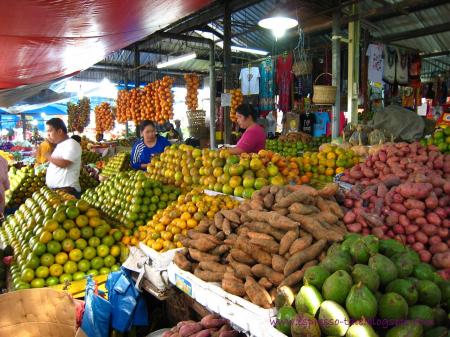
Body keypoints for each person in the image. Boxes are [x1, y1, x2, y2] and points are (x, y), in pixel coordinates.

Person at [45, 118, 82, 198]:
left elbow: (64, 163)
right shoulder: (60, 145)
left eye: (49, 131)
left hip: (68, 191)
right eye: (47, 132)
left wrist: (48, 156)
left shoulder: (72, 144)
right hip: (58, 191)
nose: (47, 134)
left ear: (60, 131)